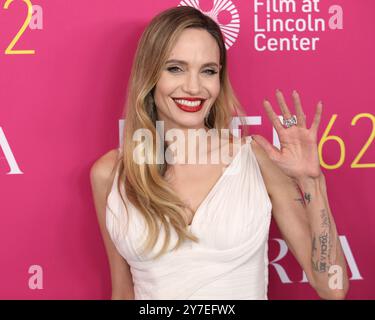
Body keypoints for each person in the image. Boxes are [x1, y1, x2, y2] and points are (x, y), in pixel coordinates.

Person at [90, 6, 349, 300]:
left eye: (208, 71)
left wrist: (312, 182)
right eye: (175, 68)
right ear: (150, 74)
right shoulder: (110, 173)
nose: (193, 87)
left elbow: (333, 287)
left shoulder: (257, 159)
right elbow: (123, 292)